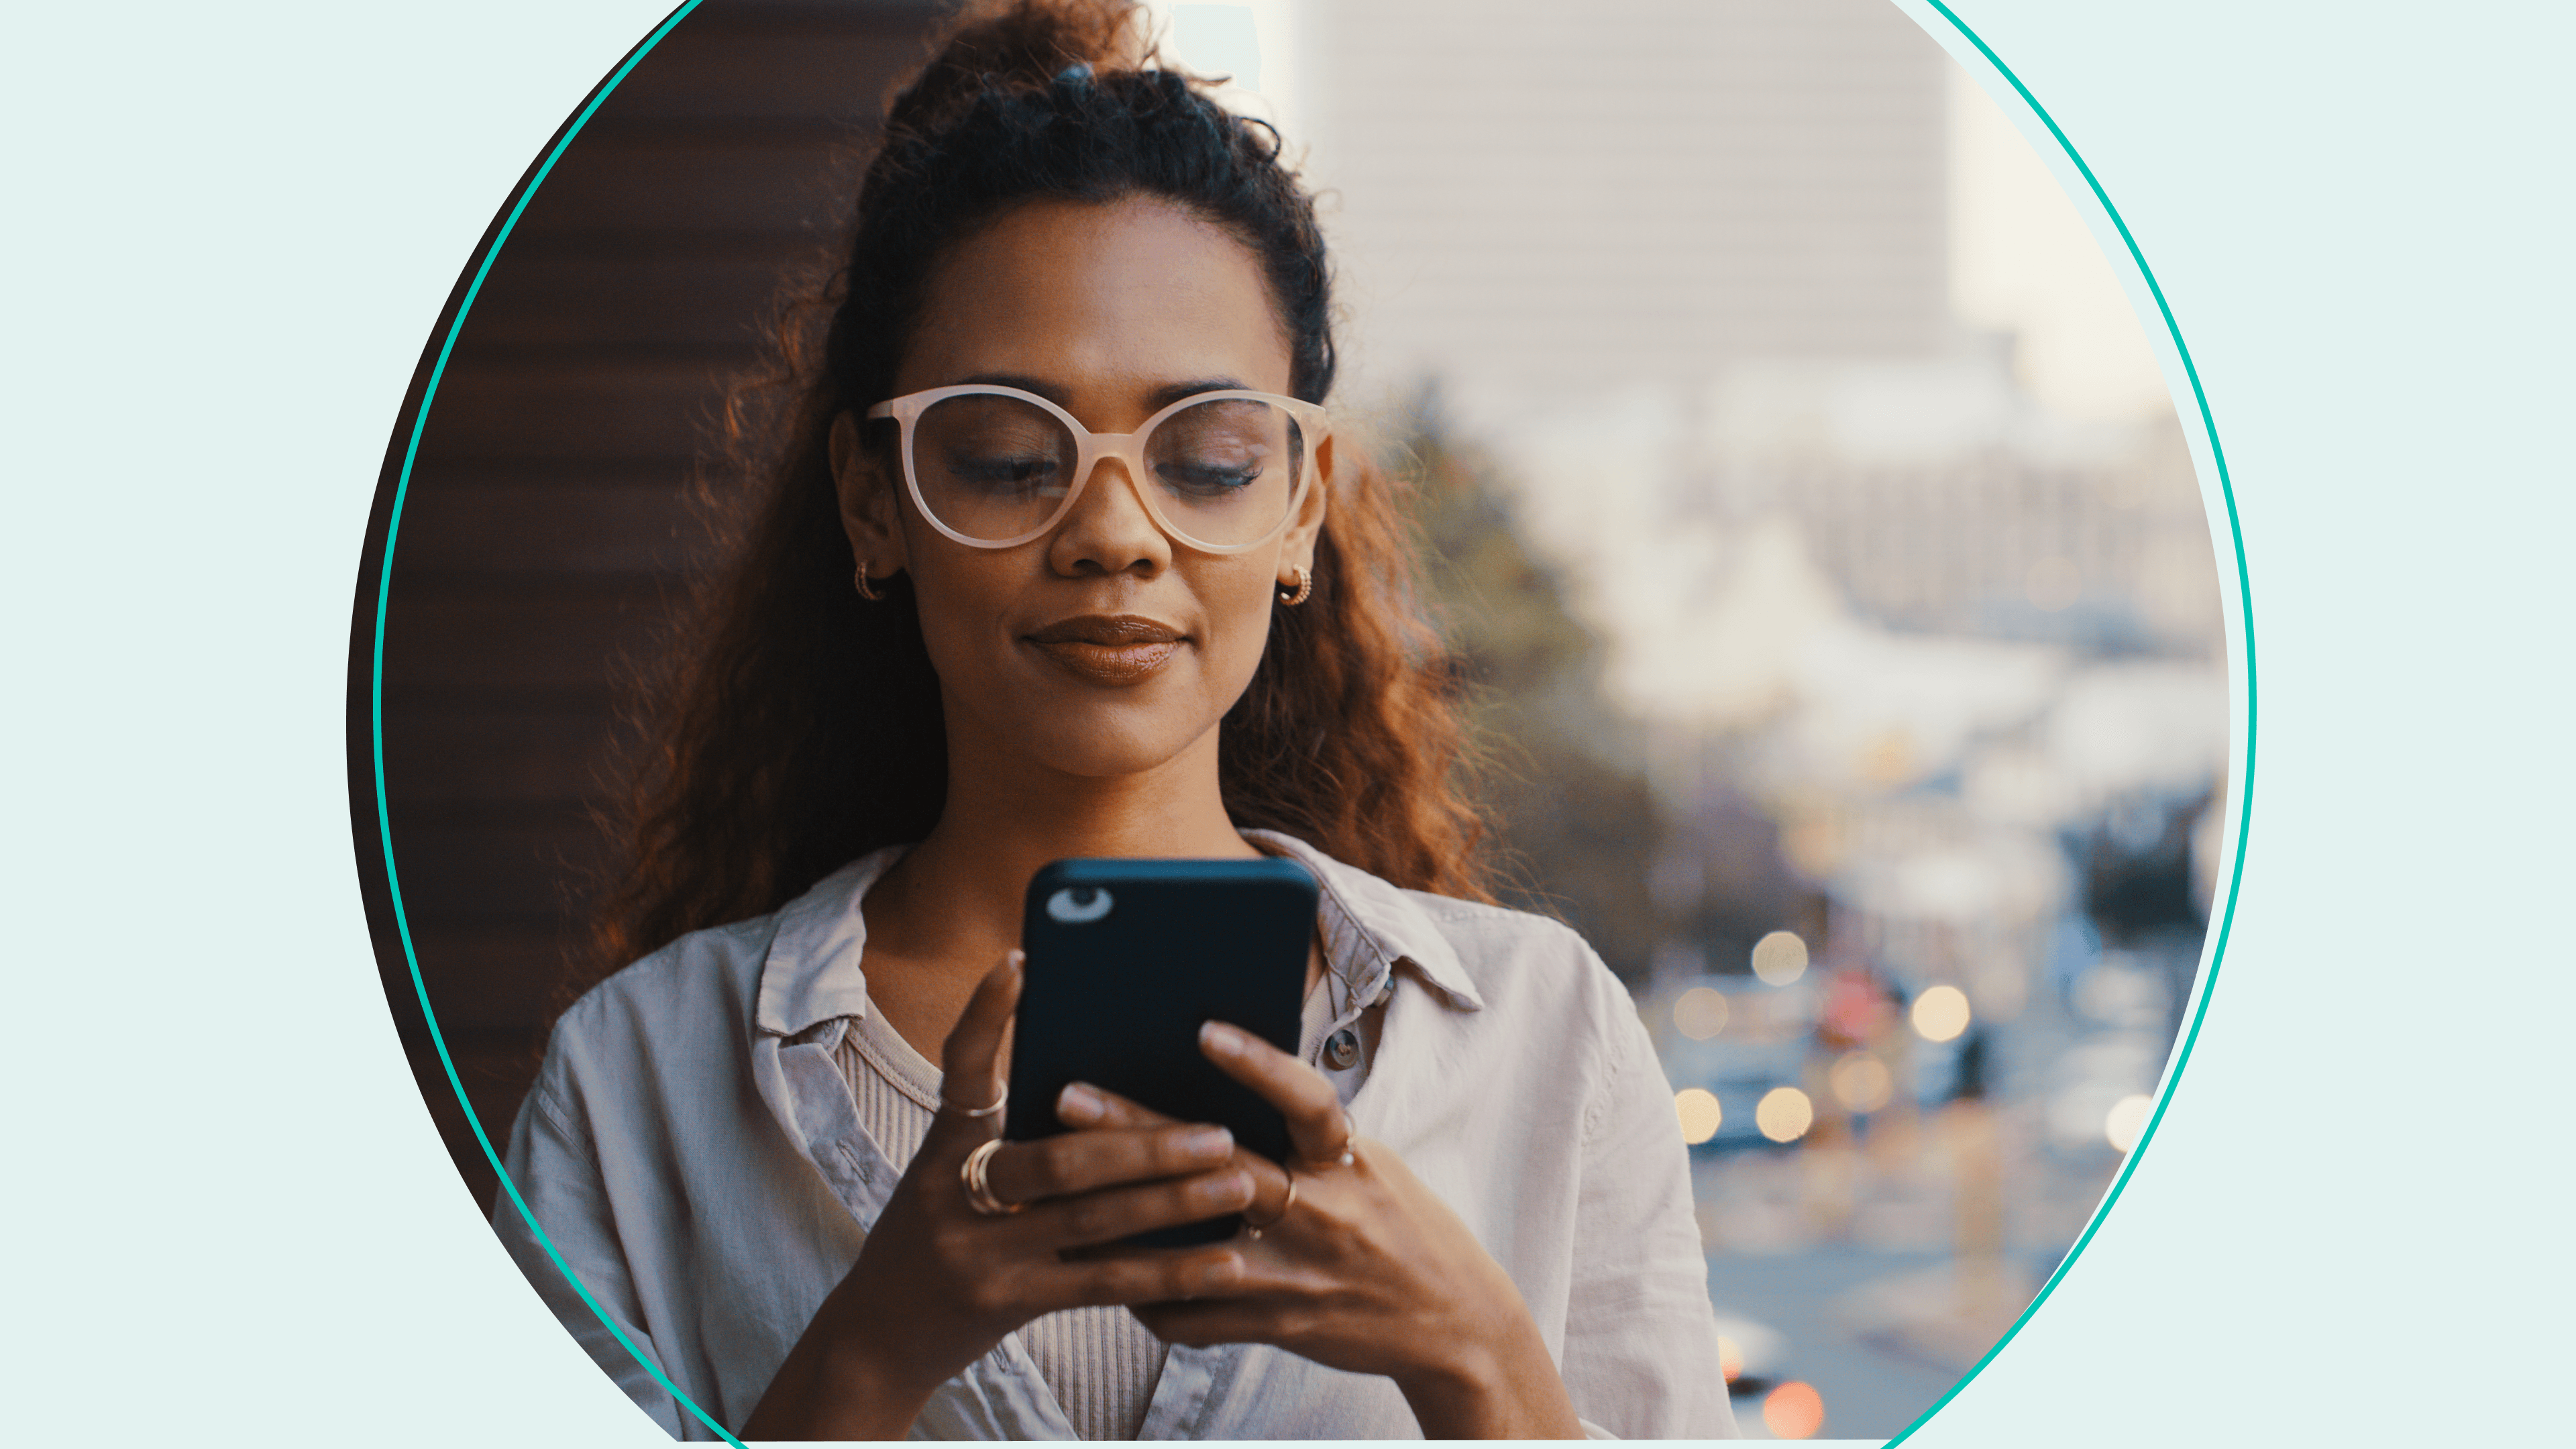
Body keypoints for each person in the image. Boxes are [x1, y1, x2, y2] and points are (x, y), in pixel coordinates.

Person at [492, 0, 1737, 1438]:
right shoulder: (639, 1080)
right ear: (872, 501)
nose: (1113, 530)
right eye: (1014, 457)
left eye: (1206, 459)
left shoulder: (1543, 1037)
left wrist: (1481, 1362)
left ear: (1300, 509)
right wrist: (873, 1350)